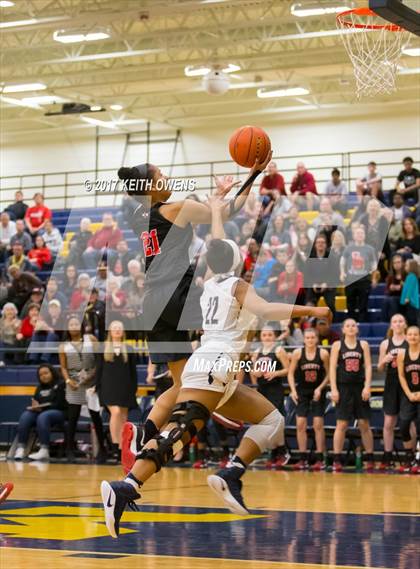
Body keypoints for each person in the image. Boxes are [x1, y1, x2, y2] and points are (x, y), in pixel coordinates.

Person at [100, 195, 331, 537]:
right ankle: (128, 485)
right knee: (182, 430)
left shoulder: (209, 281)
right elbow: (266, 310)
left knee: (272, 420)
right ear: (238, 260)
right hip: (216, 363)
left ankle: (231, 473)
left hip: (208, 363)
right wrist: (311, 312)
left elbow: (217, 243)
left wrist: (218, 205)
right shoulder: (237, 285)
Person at [118, 152, 273, 473]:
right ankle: (216, 395)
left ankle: (141, 433)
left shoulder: (138, 215)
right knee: (233, 315)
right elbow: (227, 213)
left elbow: (211, 210)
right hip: (179, 294)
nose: (167, 177)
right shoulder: (178, 208)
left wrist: (217, 197)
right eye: (161, 174)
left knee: (179, 383)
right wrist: (253, 175)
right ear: (150, 187)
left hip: (153, 302)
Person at [59, 316, 107, 463]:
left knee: (96, 417)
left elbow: (100, 359)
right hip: (73, 383)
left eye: (76, 323)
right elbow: (63, 367)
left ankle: (103, 450)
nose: (73, 326)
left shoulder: (91, 339)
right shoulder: (63, 346)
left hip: (91, 383)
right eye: (70, 324)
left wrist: (92, 375)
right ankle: (69, 449)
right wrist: (68, 380)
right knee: (72, 418)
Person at [329, 319, 374, 472]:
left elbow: (368, 366)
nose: (350, 328)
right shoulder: (336, 345)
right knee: (341, 424)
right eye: (347, 325)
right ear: (343, 329)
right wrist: (334, 389)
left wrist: (367, 387)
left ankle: (369, 458)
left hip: (359, 387)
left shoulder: (364, 345)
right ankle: (336, 459)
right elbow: (332, 369)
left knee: (364, 424)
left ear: (357, 329)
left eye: (353, 325)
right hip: (343, 388)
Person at [94, 321, 138, 460]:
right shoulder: (103, 348)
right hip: (108, 387)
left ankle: (122, 449)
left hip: (125, 387)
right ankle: (114, 444)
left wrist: (134, 389)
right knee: (116, 412)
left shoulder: (129, 349)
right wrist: (95, 387)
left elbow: (133, 372)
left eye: (120, 328)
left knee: (124, 417)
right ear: (110, 332)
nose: (117, 330)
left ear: (123, 331)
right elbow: (99, 370)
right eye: (115, 328)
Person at [288, 328, 330, 470]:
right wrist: (293, 391)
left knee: (318, 424)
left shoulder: (323, 353)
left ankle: (320, 458)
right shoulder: (297, 353)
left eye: (313, 337)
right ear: (304, 339)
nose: (310, 340)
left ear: (316, 339)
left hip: (318, 390)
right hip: (302, 391)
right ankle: (302, 458)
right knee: (300, 424)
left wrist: (320, 388)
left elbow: (330, 374)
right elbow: (290, 374)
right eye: (307, 338)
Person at [250, 327, 290, 469]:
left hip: (275, 389)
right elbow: (252, 371)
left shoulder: (279, 350)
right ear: (261, 337)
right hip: (262, 390)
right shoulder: (256, 352)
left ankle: (282, 450)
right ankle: (273, 451)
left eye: (269, 335)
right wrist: (256, 373)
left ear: (274, 336)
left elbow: (288, 369)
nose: (267, 337)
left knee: (276, 420)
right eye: (264, 335)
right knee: (266, 422)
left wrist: (275, 373)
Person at [12, 364, 67, 461]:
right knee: (26, 415)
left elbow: (60, 404)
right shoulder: (39, 388)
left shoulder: (61, 384)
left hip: (59, 412)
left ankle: (44, 450)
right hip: (42, 411)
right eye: (41, 375)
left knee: (43, 416)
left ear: (52, 373)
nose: (43, 376)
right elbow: (37, 402)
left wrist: (41, 409)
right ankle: (21, 448)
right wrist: (34, 406)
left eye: (46, 373)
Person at [377, 314, 407, 470]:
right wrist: (385, 360)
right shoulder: (385, 344)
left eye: (401, 321)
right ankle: (387, 456)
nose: (398, 323)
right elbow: (380, 368)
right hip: (391, 384)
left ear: (405, 324)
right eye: (395, 321)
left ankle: (410, 457)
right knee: (388, 422)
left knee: (408, 423)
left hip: (408, 385)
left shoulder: (411, 341)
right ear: (391, 325)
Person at [340, 226, 377, 322]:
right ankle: (351, 321)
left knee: (363, 304)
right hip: (350, 280)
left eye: (362, 233)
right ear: (354, 236)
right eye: (357, 233)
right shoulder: (348, 248)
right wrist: (342, 272)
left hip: (364, 280)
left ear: (364, 235)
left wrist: (373, 278)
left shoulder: (370, 249)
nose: (360, 235)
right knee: (350, 303)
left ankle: (362, 322)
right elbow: (342, 261)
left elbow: (374, 265)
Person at [396, 325, 420, 474]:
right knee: (404, 425)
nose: (412, 337)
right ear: (406, 336)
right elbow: (401, 376)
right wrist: (409, 393)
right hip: (409, 394)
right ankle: (409, 457)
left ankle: (418, 458)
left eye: (415, 335)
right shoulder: (402, 354)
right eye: (410, 334)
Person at [382, 255, 405, 321]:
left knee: (392, 300)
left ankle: (394, 320)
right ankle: (385, 322)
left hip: (404, 297)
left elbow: (409, 289)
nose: (396, 264)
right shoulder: (390, 276)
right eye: (395, 263)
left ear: (402, 263)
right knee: (386, 300)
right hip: (393, 296)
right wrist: (390, 289)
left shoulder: (406, 275)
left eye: (398, 262)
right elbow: (386, 291)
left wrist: (401, 288)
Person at [0, 302, 21, 366]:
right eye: (7, 310)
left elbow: (19, 336)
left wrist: (15, 328)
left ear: (15, 312)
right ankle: (1, 361)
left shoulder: (18, 321)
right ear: (4, 312)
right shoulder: (0, 322)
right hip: (2, 343)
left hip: (13, 344)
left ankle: (1, 360)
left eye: (12, 310)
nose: (10, 312)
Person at [400, 260, 419, 326]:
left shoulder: (411, 276)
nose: (405, 267)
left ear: (412, 267)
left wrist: (407, 298)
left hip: (411, 302)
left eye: (407, 265)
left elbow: (410, 288)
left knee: (411, 318)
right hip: (410, 302)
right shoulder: (411, 276)